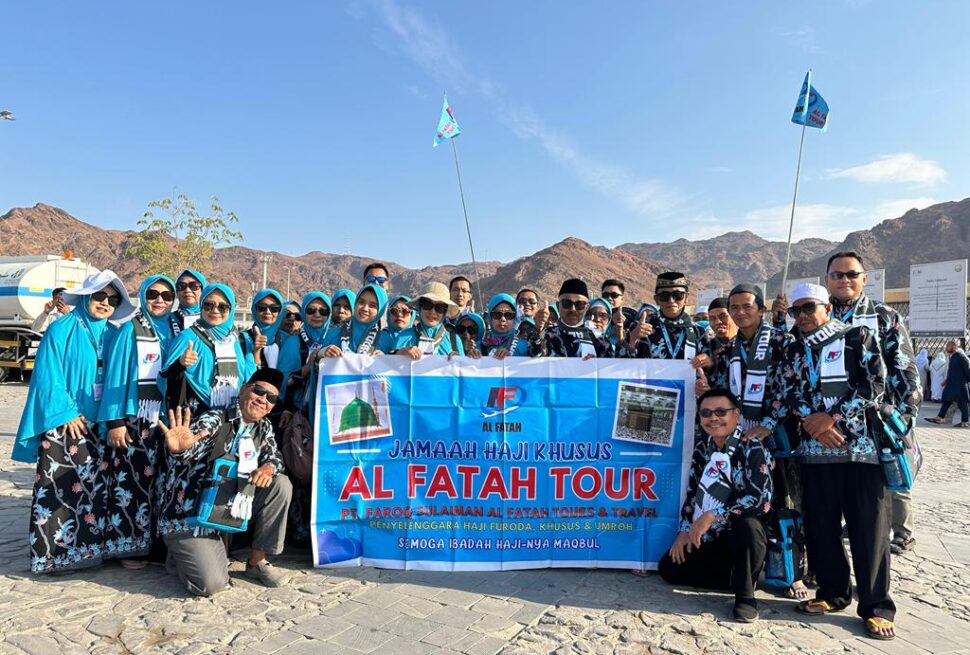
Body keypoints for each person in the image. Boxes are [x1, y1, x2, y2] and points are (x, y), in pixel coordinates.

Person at [779, 283, 895, 640]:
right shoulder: (793, 348)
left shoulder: (857, 336)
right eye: (795, 311)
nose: (801, 316)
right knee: (821, 527)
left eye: (808, 308)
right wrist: (812, 422)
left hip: (860, 450)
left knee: (868, 529)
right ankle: (832, 593)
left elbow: (875, 385)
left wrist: (832, 418)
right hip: (814, 452)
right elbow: (788, 390)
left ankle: (876, 606)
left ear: (827, 308)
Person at [14, 270, 135, 573]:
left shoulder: (112, 334)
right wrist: (66, 411)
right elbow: (47, 373)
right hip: (66, 423)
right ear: (86, 296)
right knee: (61, 491)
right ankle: (54, 556)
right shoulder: (62, 329)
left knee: (95, 490)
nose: (106, 303)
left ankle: (91, 551)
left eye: (113, 299)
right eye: (100, 296)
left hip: (99, 423)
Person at [817, 252, 923, 554]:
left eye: (851, 274)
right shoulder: (820, 317)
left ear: (865, 278)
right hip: (832, 427)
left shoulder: (884, 316)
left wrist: (902, 419)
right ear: (826, 281)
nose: (844, 280)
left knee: (891, 482)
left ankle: (901, 534)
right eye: (837, 275)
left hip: (876, 422)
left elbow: (905, 370)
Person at [156, 369, 292, 595]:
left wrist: (268, 467)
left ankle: (256, 562)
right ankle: (180, 554)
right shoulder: (216, 418)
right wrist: (183, 448)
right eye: (258, 391)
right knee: (211, 584)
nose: (263, 400)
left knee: (280, 484)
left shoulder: (263, 427)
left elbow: (275, 457)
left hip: (227, 508)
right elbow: (196, 442)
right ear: (243, 390)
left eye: (271, 398)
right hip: (193, 516)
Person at [658, 389, 772, 623]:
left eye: (721, 412)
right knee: (669, 568)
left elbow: (761, 500)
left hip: (743, 533)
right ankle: (735, 577)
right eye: (706, 413)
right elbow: (692, 495)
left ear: (736, 414)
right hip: (709, 535)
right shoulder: (702, 448)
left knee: (748, 526)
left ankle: (745, 597)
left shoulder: (751, 447)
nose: (713, 418)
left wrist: (714, 515)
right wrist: (683, 530)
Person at [98, 275, 177, 567]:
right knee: (130, 484)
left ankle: (153, 547)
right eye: (153, 294)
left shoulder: (174, 329)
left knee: (158, 485)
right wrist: (114, 422)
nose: (159, 300)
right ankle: (126, 547)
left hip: (163, 420)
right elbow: (114, 377)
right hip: (134, 418)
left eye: (166, 295)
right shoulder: (129, 330)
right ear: (143, 296)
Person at [161, 284, 256, 414]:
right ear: (201, 306)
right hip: (194, 415)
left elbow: (248, 377)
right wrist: (180, 364)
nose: (215, 311)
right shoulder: (188, 337)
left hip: (231, 415)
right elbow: (163, 378)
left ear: (231, 309)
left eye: (222, 307)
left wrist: (256, 352)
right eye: (208, 305)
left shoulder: (239, 340)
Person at [627, 273, 714, 381]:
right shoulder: (641, 328)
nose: (671, 300)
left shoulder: (699, 332)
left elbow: (711, 373)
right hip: (650, 394)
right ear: (656, 299)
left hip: (687, 395)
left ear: (686, 297)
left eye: (678, 295)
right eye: (664, 296)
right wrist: (632, 340)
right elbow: (619, 368)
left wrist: (709, 363)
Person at [528, 279, 612, 358]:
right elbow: (534, 355)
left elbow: (610, 368)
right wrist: (538, 328)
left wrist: (596, 363)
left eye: (579, 304)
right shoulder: (546, 335)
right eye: (566, 303)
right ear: (558, 306)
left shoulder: (598, 338)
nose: (573, 309)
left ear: (586, 308)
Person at [386, 282, 464, 358]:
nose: (433, 312)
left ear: (445, 312)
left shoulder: (454, 340)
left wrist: (459, 362)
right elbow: (390, 368)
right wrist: (399, 354)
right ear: (420, 307)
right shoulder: (404, 336)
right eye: (427, 305)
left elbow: (465, 369)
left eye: (439, 308)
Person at [321, 284, 387, 357]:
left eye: (372, 305)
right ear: (355, 304)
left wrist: (385, 359)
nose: (365, 308)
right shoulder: (334, 334)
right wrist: (322, 353)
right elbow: (317, 366)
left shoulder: (386, 340)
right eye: (361, 302)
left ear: (380, 311)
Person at [926, 340, 970, 427]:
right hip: (951, 384)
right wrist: (946, 381)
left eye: (949, 346)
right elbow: (952, 372)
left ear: (955, 347)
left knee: (963, 403)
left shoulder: (961, 357)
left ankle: (965, 422)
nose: (947, 348)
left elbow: (967, 371)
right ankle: (939, 417)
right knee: (946, 400)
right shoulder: (953, 357)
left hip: (959, 385)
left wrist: (966, 380)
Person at [242, 289, 287, 369]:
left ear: (280, 312)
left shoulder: (287, 339)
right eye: (262, 307)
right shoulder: (243, 339)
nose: (268, 312)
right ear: (255, 310)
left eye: (274, 308)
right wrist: (256, 351)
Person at [481, 294, 529, 358]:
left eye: (509, 315)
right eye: (497, 314)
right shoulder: (479, 346)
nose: (503, 319)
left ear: (514, 317)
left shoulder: (524, 346)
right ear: (490, 316)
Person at [601, 279, 637, 348]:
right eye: (605, 295)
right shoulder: (592, 317)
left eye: (614, 295)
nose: (609, 298)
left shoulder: (631, 321)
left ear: (622, 299)